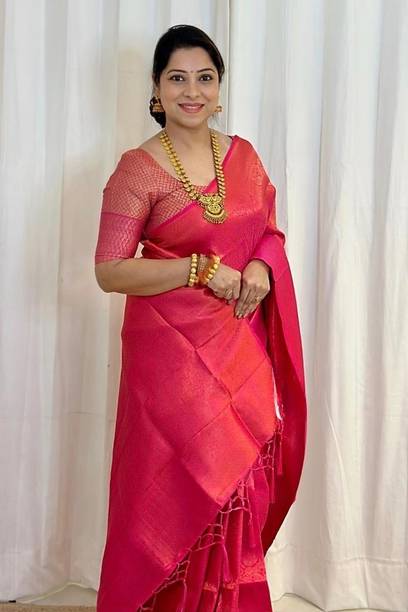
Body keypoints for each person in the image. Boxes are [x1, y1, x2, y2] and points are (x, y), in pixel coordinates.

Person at [94, 24, 307, 612]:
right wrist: (196, 269)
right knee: (175, 488)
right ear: (157, 89)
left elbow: (268, 232)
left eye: (205, 78)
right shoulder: (137, 169)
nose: (193, 91)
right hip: (169, 365)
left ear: (219, 88)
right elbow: (110, 270)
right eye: (178, 78)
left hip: (238, 346)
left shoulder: (243, 157)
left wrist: (261, 265)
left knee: (239, 487)